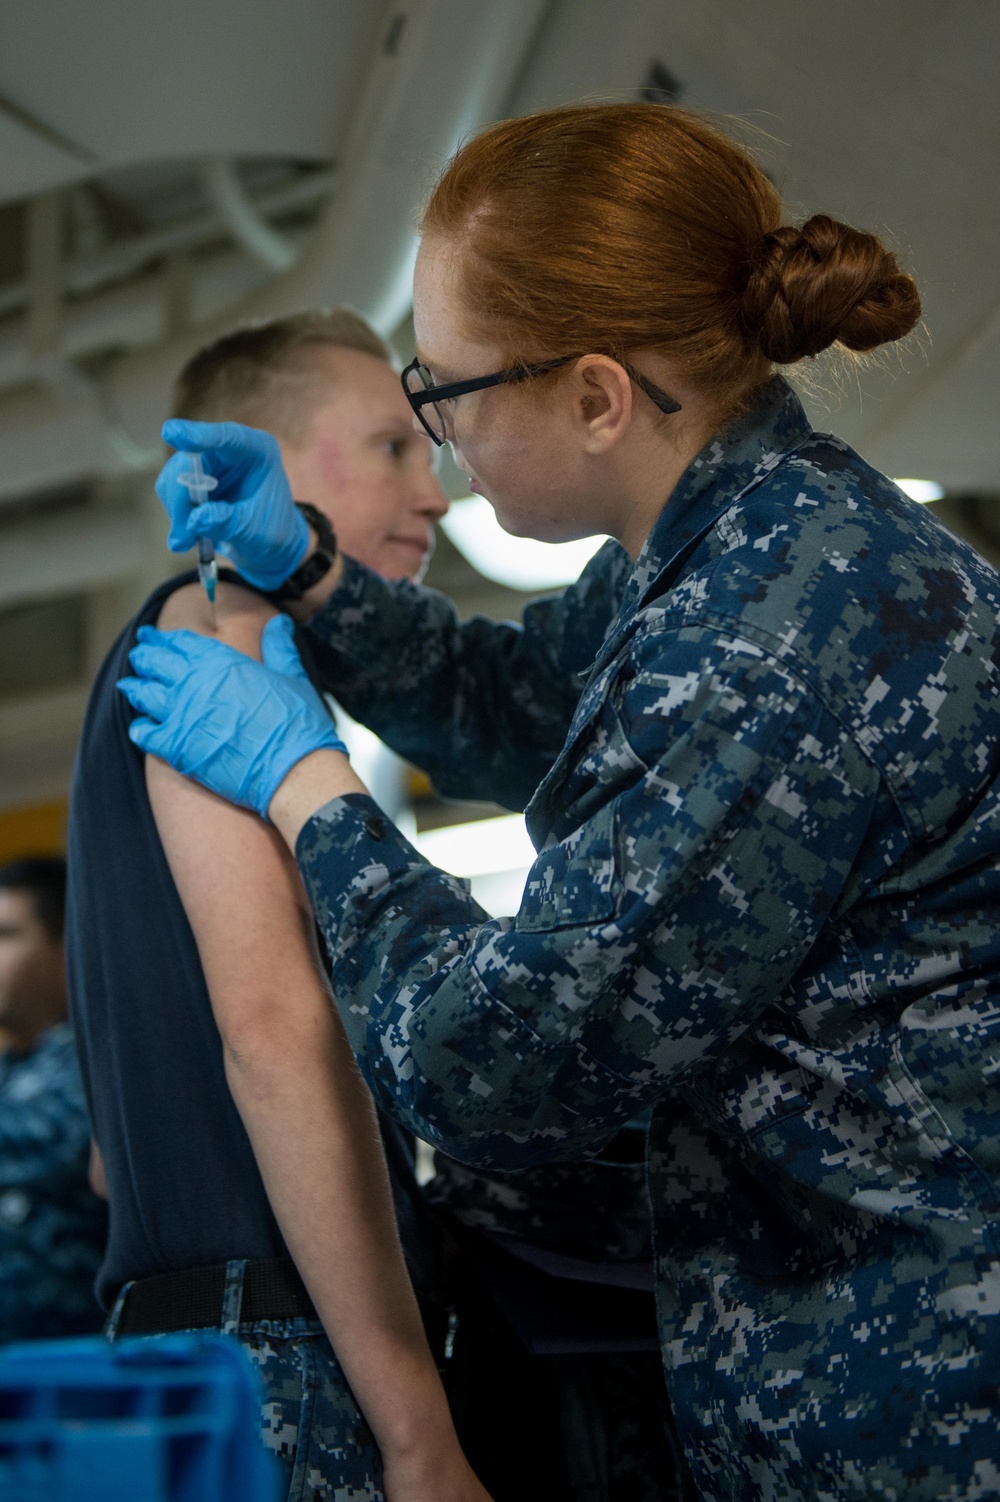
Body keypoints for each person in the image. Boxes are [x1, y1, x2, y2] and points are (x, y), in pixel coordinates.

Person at [122, 101, 1000, 1501]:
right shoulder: (741, 538)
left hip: (910, 1400)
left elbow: (495, 1065)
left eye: (445, 394)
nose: (437, 437)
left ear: (596, 397)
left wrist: (306, 783)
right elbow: (527, 701)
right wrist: (313, 572)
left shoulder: (767, 638)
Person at [67, 310, 490, 1502]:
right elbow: (271, 1029)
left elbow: (108, 1160)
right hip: (289, 1355)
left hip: (190, 1349)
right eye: (392, 446)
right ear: (254, 463)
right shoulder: (221, 630)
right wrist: (418, 1432)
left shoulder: (175, 654)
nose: (434, 494)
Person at [0, 857, 107, 1341]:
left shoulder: (101, 1057)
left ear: (66, 945)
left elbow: (63, 1141)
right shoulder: (11, 1071)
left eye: (6, 934)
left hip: (75, 1365)